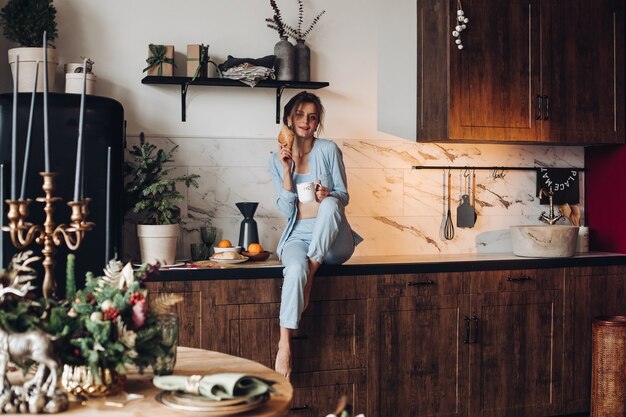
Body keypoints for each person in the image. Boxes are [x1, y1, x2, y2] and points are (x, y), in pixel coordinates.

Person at [268, 91, 361, 380]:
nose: (305, 121)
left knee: (332, 203)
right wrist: (287, 171)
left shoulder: (328, 149)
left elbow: (343, 196)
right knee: (294, 269)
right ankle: (285, 344)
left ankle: (312, 271)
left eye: (311, 116)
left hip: (333, 240)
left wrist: (326, 194)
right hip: (298, 235)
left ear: (317, 121)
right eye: (299, 115)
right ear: (288, 119)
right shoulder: (276, 158)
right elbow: (286, 208)